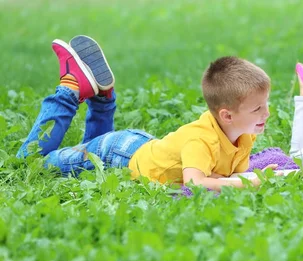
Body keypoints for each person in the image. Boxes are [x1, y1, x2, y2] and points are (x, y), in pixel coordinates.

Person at [18, 35, 274, 191]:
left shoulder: (244, 133)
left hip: (142, 148)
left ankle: (102, 98)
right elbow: (196, 183)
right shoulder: (202, 140)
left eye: (265, 104)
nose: (267, 113)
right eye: (258, 108)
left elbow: (219, 175)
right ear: (227, 115)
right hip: (116, 154)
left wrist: (251, 177)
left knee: (83, 152)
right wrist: (248, 184)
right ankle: (71, 86)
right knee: (31, 164)